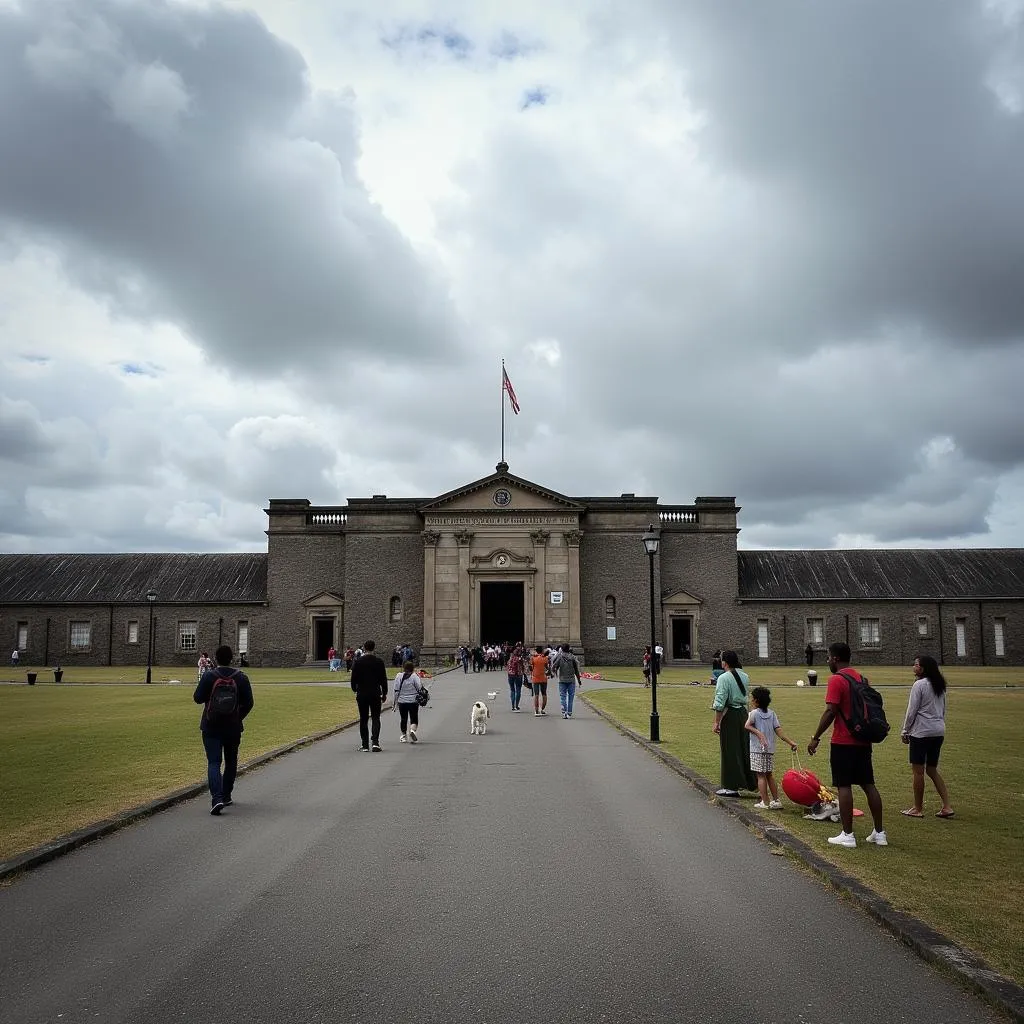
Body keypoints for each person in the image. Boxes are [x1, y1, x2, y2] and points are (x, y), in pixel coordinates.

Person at [808, 641, 886, 848]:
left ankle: (848, 834)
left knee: (844, 785)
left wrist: (815, 737)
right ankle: (879, 833)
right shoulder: (861, 677)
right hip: (863, 739)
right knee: (869, 784)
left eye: (827, 657)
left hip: (844, 740)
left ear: (835, 658)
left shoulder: (837, 679)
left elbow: (831, 711)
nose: (827, 661)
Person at [193, 644, 254, 815]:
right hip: (232, 727)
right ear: (232, 658)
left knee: (214, 762)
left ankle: (216, 799)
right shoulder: (241, 677)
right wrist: (237, 717)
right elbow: (249, 703)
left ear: (216, 659)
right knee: (231, 761)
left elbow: (197, 698)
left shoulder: (209, 676)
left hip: (211, 725)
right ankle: (226, 795)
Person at [900, 655, 954, 819]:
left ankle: (917, 808)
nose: (913, 667)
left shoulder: (919, 685)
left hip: (921, 732)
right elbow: (943, 709)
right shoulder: (939, 685)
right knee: (931, 769)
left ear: (923, 668)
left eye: (916, 664)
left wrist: (905, 730)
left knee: (918, 772)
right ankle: (947, 806)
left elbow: (912, 710)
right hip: (938, 731)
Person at [711, 650, 756, 796]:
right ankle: (750, 782)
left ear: (725, 662)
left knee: (729, 749)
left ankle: (730, 785)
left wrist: (716, 722)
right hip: (743, 714)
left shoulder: (724, 678)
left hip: (729, 714)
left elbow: (720, 701)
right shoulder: (745, 676)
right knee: (744, 748)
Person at [744, 686, 797, 809]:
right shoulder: (772, 714)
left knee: (760, 775)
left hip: (757, 749)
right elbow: (779, 731)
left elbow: (747, 726)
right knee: (769, 774)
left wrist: (759, 733)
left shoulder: (754, 714)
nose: (751, 701)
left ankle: (765, 801)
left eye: (752, 699)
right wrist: (791, 742)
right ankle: (776, 800)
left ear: (756, 701)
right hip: (769, 749)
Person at [350, 639, 388, 752]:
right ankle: (375, 743)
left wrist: (354, 689)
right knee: (376, 718)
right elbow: (383, 679)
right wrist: (384, 692)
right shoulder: (379, 662)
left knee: (363, 718)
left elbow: (353, 679)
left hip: (362, 693)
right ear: (373, 648)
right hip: (375, 693)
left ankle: (365, 744)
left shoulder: (358, 662)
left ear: (364, 648)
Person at [393, 660, 424, 743]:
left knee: (403, 718)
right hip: (413, 701)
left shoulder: (399, 676)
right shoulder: (414, 676)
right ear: (412, 668)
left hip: (402, 701)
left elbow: (396, 690)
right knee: (414, 718)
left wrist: (395, 703)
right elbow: (419, 687)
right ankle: (412, 731)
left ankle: (403, 735)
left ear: (404, 668)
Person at [552, 644, 583, 719]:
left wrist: (554, 672)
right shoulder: (573, 658)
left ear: (562, 649)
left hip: (562, 680)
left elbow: (554, 666)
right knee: (571, 697)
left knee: (563, 697)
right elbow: (576, 671)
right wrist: (579, 680)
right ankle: (569, 713)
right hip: (571, 680)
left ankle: (564, 712)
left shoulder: (560, 657)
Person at [530, 645, 550, 716]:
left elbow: (531, 667)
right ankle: (542, 709)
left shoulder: (533, 658)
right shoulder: (545, 658)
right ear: (541, 651)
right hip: (543, 677)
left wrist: (531, 674)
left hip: (535, 677)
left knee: (536, 694)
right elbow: (547, 668)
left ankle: (536, 710)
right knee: (544, 694)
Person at [506, 644, 525, 711]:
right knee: (518, 689)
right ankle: (516, 705)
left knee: (512, 690)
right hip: (518, 675)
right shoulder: (520, 659)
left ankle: (512, 705)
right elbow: (523, 667)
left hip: (510, 675)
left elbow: (507, 667)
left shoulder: (510, 659)